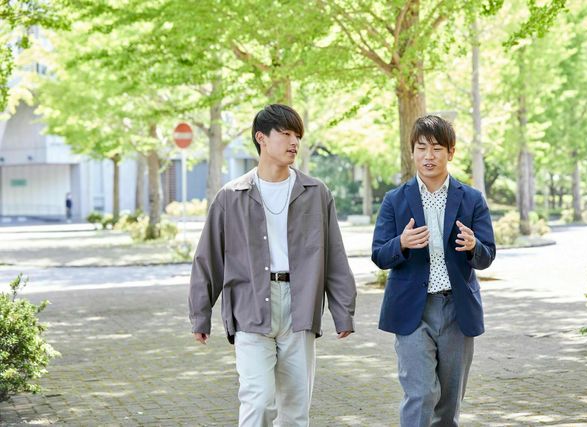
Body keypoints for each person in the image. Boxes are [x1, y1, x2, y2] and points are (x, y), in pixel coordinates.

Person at [189, 104, 357, 427]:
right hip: (250, 304)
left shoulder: (316, 193)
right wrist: (200, 314)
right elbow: (208, 258)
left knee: (295, 409)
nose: (294, 142)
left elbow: (335, 256)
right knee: (259, 400)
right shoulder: (231, 196)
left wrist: (343, 311)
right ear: (261, 138)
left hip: (300, 306)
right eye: (286, 133)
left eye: (298, 136)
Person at [371, 115, 496, 426]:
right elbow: (379, 255)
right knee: (422, 393)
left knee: (449, 403)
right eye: (421, 148)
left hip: (457, 309)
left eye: (437, 148)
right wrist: (401, 243)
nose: (429, 155)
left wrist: (474, 246)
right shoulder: (394, 200)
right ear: (412, 151)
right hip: (412, 310)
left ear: (450, 152)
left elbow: (487, 256)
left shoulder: (472, 199)